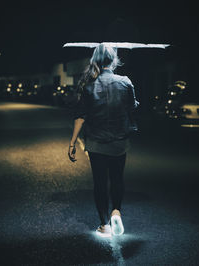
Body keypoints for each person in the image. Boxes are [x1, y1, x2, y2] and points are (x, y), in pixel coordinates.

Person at [68, 43, 139, 237]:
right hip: (119, 141)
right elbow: (132, 107)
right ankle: (116, 211)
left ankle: (104, 224)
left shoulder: (88, 84)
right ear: (114, 60)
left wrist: (73, 142)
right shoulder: (125, 81)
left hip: (97, 143)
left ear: (96, 60)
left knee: (100, 182)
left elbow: (80, 116)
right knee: (117, 178)